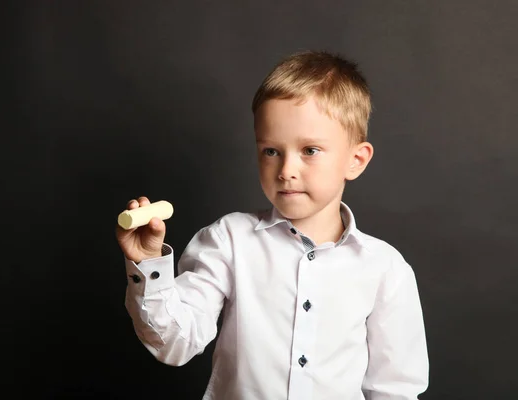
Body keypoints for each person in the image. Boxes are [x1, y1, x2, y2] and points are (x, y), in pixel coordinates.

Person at [115, 50, 429, 400]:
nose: (286, 170)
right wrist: (148, 264)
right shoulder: (229, 240)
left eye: (310, 150)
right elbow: (174, 344)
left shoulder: (385, 269)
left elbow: (394, 389)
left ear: (355, 160)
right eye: (271, 151)